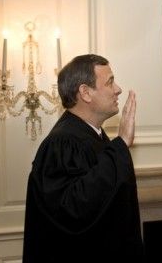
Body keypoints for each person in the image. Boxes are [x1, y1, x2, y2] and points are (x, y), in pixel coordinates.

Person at [22, 54, 144, 262]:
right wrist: (121, 144)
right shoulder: (62, 143)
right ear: (85, 93)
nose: (118, 89)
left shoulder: (93, 135)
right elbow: (73, 210)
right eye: (110, 82)